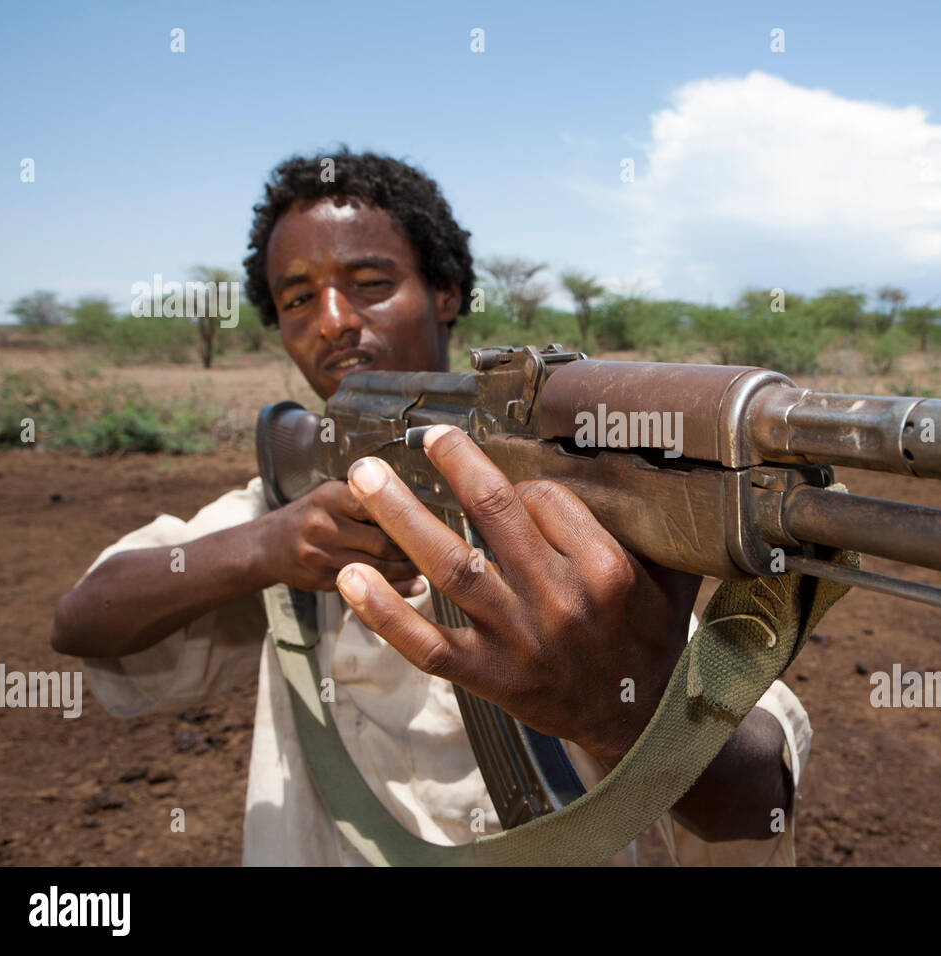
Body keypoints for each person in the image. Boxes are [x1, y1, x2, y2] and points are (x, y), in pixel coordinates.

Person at [51, 150, 813, 866]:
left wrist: (632, 717)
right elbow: (82, 619)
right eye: (296, 299)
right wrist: (267, 547)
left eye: (371, 283)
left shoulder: (561, 486)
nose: (333, 320)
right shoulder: (285, 501)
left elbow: (756, 799)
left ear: (445, 291)